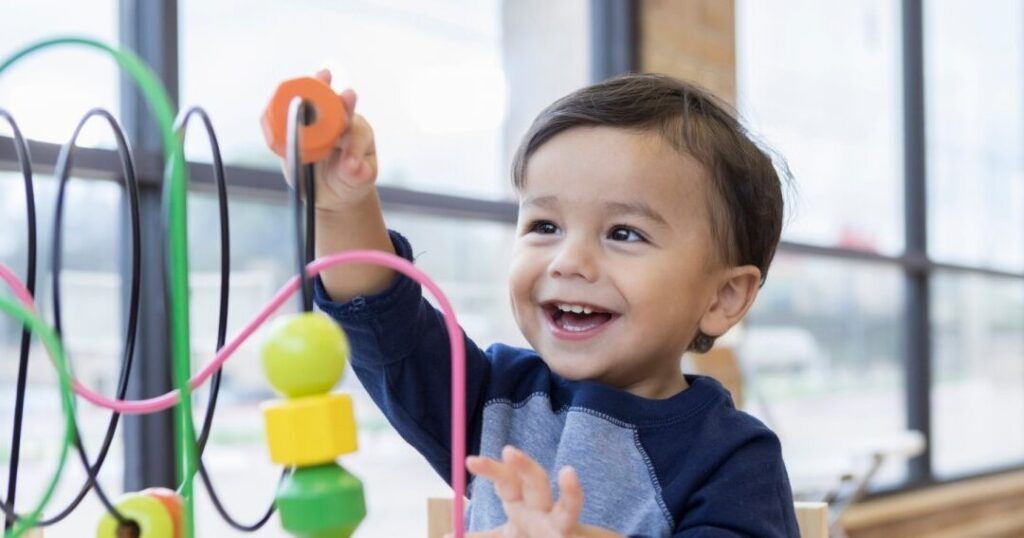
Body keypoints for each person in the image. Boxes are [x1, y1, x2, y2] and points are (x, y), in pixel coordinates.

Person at [289, 69, 799, 537]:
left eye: (624, 233)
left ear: (722, 297)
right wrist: (342, 205)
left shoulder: (733, 458)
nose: (567, 261)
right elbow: (381, 315)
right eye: (544, 226)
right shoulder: (493, 398)